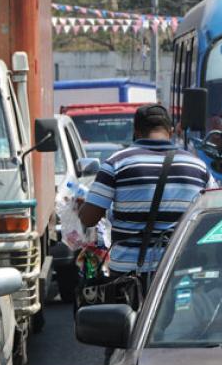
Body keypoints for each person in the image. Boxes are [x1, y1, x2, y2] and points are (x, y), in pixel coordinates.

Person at [79, 104, 213, 286]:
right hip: (180, 270)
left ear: (136, 132)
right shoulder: (198, 167)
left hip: (129, 275)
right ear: (171, 131)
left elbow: (89, 219)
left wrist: (81, 207)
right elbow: (212, 217)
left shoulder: (116, 163)